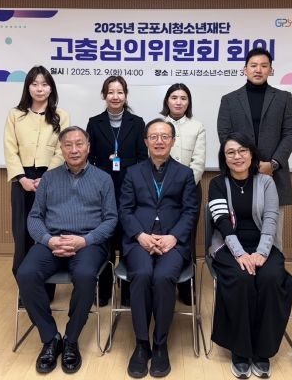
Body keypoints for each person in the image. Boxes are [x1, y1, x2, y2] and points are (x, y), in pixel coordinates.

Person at [16, 126, 117, 374]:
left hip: (88, 244)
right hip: (52, 241)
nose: (74, 149)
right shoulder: (49, 179)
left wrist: (85, 240)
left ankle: (71, 339)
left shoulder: (103, 179)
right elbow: (35, 217)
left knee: (85, 276)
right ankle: (50, 337)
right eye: (68, 145)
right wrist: (49, 240)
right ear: (60, 149)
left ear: (88, 147)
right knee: (26, 273)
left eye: (79, 144)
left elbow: (111, 219)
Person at [207, 133, 292, 379]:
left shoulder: (266, 182)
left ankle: (262, 351)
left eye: (242, 151)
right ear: (224, 158)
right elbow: (222, 223)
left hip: (263, 245)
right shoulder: (217, 184)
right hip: (228, 246)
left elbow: (271, 219)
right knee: (241, 278)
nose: (237, 156)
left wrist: (261, 252)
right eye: (230, 152)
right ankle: (240, 350)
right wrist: (241, 254)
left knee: (270, 278)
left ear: (252, 154)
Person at [119, 119, 198, 378]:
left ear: (173, 141)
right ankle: (142, 343)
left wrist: (174, 237)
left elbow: (190, 211)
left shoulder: (185, 174)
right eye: (153, 137)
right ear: (146, 142)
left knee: (163, 277)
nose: (159, 141)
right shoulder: (133, 172)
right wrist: (140, 235)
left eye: (165, 136)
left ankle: (160, 343)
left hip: (172, 241)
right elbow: (125, 210)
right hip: (139, 240)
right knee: (141, 275)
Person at [217, 48, 292, 243]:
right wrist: (245, 162)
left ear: (271, 70)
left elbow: (291, 133)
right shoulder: (229, 100)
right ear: (244, 69)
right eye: (253, 65)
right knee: (239, 231)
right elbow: (225, 135)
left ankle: (273, 263)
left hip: (273, 173)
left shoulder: (284, 98)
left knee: (273, 234)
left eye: (264, 66)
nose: (258, 70)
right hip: (239, 173)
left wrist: (273, 163)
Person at [4, 65, 70, 283]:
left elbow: (62, 149)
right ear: (28, 87)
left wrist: (47, 178)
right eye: (34, 84)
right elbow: (10, 148)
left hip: (51, 178)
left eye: (44, 84)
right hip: (22, 179)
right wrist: (21, 178)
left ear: (51, 88)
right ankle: (24, 285)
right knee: (22, 232)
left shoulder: (61, 116)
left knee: (48, 231)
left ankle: (46, 284)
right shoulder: (15, 115)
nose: (39, 89)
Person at [86, 76, 148, 305]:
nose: (115, 96)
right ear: (104, 95)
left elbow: (143, 158)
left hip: (130, 190)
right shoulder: (94, 123)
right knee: (105, 241)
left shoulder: (137, 122)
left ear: (125, 95)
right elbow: (89, 158)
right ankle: (103, 292)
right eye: (111, 92)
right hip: (102, 190)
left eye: (120, 92)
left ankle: (128, 294)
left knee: (129, 240)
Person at [160, 83, 205, 305]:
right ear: (167, 100)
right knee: (164, 234)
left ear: (189, 102)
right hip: (160, 191)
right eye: (174, 97)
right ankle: (163, 282)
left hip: (190, 191)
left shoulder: (197, 127)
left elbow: (198, 162)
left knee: (187, 237)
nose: (178, 102)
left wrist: (182, 186)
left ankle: (187, 290)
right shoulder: (158, 124)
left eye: (183, 98)